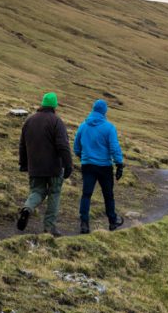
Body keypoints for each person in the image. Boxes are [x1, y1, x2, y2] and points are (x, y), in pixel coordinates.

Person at [17, 92, 73, 236]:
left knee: (37, 191)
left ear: (42, 104)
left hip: (35, 166)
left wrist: (23, 164)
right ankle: (49, 227)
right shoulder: (56, 121)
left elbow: (23, 145)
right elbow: (63, 146)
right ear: (54, 106)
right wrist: (68, 165)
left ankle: (27, 208)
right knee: (54, 193)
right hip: (54, 167)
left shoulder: (29, 121)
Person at [74, 99, 125, 234]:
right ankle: (112, 222)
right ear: (104, 112)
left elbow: (76, 146)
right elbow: (114, 147)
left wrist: (83, 156)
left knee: (86, 194)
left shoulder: (83, 126)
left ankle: (84, 223)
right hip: (104, 167)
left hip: (88, 165)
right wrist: (119, 164)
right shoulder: (109, 128)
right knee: (108, 195)